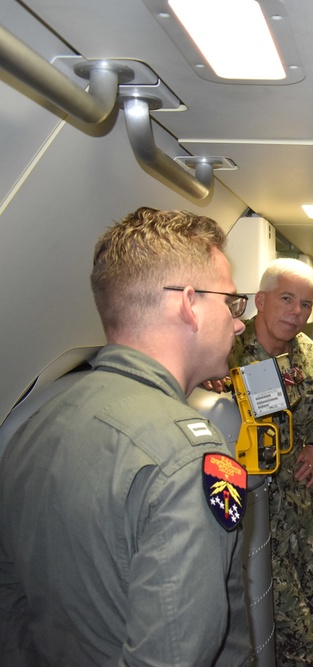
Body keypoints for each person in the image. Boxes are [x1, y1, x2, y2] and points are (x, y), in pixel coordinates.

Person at [0, 207, 250, 665]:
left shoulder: (32, 425)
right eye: (232, 302)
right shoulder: (190, 458)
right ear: (189, 305)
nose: (238, 322)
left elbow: (11, 600)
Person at [227, 258, 313, 667]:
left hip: (299, 500)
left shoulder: (307, 354)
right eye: (287, 299)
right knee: (283, 614)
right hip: (251, 511)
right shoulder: (228, 351)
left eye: (306, 304)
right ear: (260, 299)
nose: (297, 312)